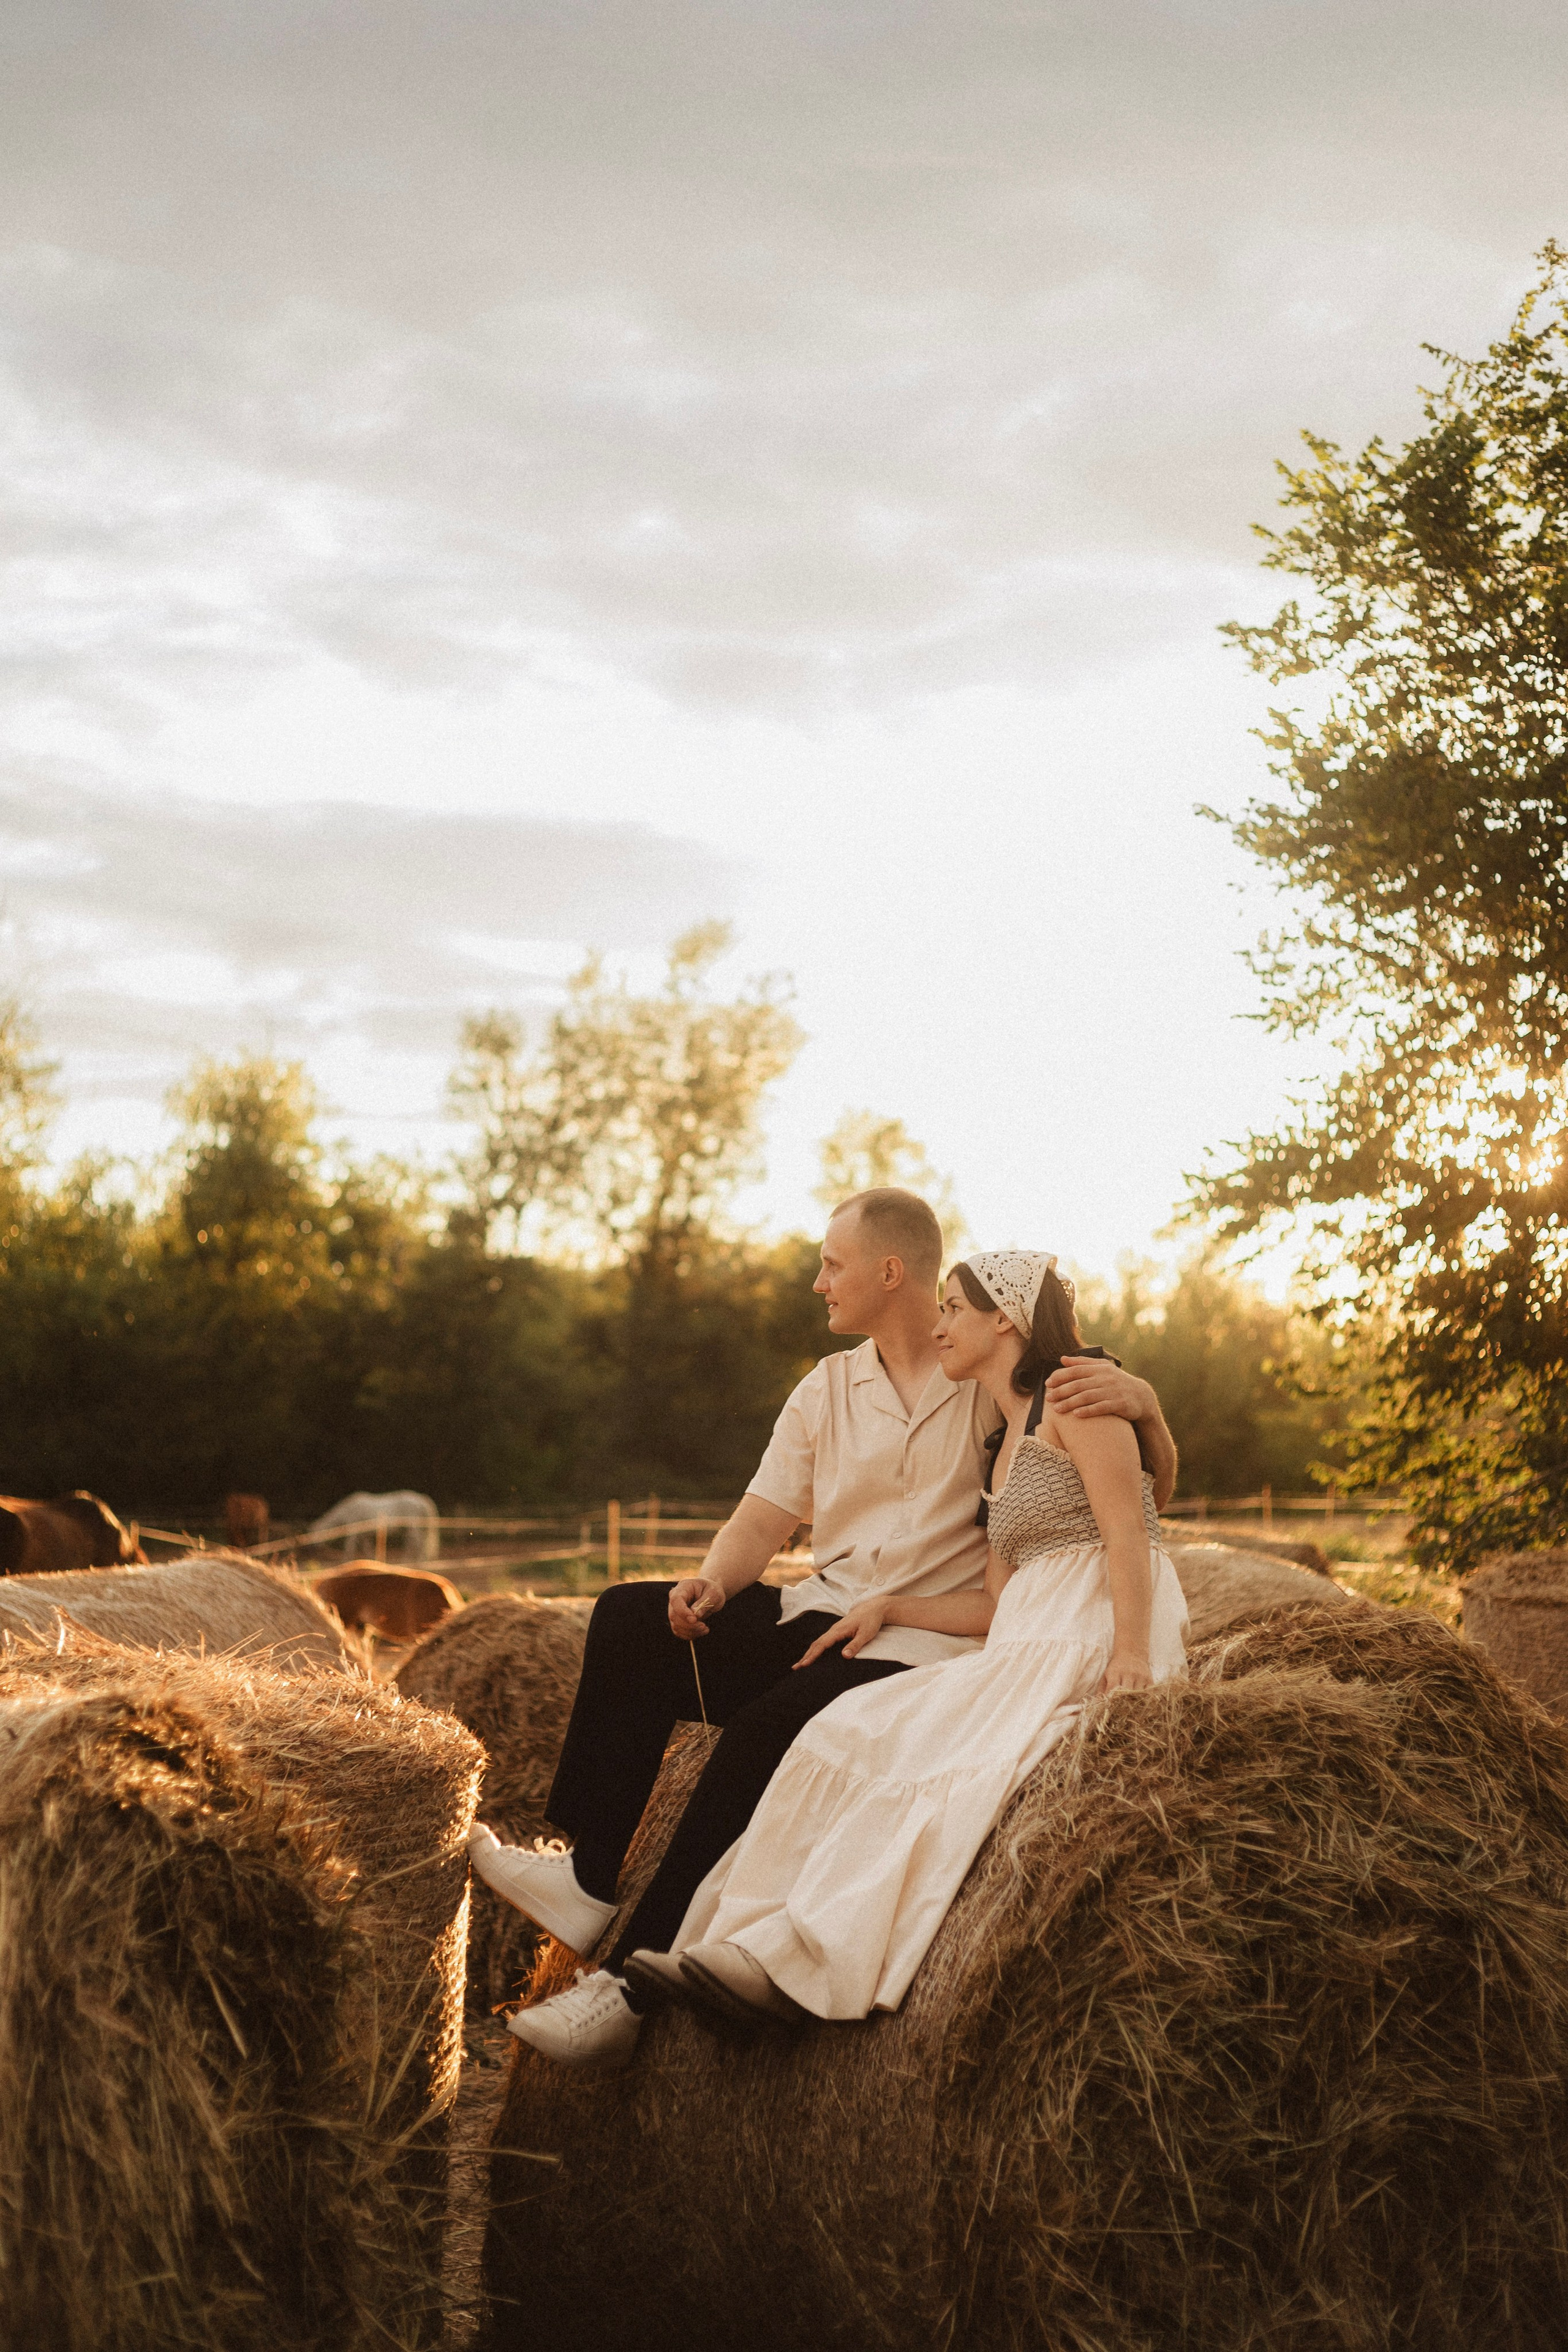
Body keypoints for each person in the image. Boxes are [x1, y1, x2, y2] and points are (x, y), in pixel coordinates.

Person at [469, 1191, 1176, 2067]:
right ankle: (588, 1878)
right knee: (628, 1621)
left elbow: (1104, 1459)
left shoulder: (988, 1388)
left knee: (761, 1737)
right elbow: (762, 1518)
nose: (818, 1283)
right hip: (827, 1608)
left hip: (917, 1643)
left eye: (831, 1264)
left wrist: (1142, 1400)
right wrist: (711, 1586)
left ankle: (623, 1989)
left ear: (890, 1272)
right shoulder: (826, 1388)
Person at [628, 1248, 1189, 2033]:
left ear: (1007, 1319)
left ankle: (813, 1964)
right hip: (1022, 1635)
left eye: (955, 1308)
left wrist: (1130, 1654)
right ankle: (757, 1946)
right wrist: (891, 1605)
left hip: (1090, 1627)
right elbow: (993, 1604)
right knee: (847, 1732)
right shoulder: (1000, 1450)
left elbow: (1134, 1533)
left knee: (955, 1779)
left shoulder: (1079, 1397)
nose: (939, 1324)